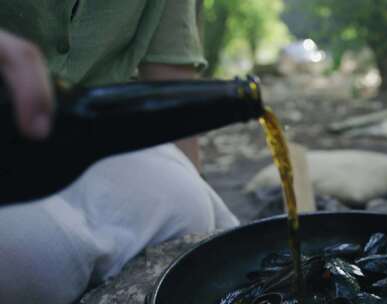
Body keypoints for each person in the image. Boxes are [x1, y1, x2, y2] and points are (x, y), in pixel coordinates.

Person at [0, 1, 239, 303]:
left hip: (95, 128)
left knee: (189, 208)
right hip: (9, 134)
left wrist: (193, 183)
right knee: (32, 254)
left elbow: (170, 77)